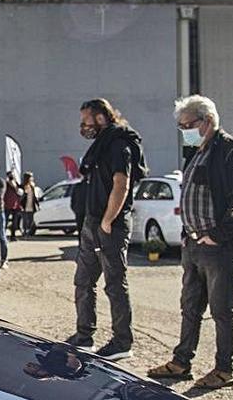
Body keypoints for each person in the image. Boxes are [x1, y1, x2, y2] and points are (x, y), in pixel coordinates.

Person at [147, 95, 233, 390]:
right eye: (180, 126)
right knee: (190, 307)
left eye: (187, 125)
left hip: (215, 246)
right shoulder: (196, 151)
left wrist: (217, 235)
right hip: (192, 244)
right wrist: (188, 234)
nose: (184, 130)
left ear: (208, 120)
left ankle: (224, 369)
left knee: (221, 311)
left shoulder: (229, 150)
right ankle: (180, 362)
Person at [67, 98, 147, 361]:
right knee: (83, 281)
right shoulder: (101, 146)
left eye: (85, 120)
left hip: (108, 224)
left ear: (101, 118)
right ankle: (84, 336)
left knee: (114, 283)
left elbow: (121, 185)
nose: (83, 126)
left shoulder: (118, 145)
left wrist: (107, 220)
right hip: (92, 222)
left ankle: (122, 342)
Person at [4, 172, 23, 241]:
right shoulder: (6, 183)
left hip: (16, 204)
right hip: (7, 204)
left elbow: (19, 191)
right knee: (5, 221)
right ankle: (3, 235)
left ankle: (13, 235)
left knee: (14, 221)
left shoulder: (16, 183)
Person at [20, 172, 39, 237]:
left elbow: (35, 196)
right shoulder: (23, 186)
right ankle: (24, 232)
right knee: (25, 220)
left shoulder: (32, 185)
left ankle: (29, 232)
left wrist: (37, 204)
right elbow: (21, 197)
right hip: (24, 205)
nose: (32, 178)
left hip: (31, 205)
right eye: (31, 177)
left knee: (31, 220)